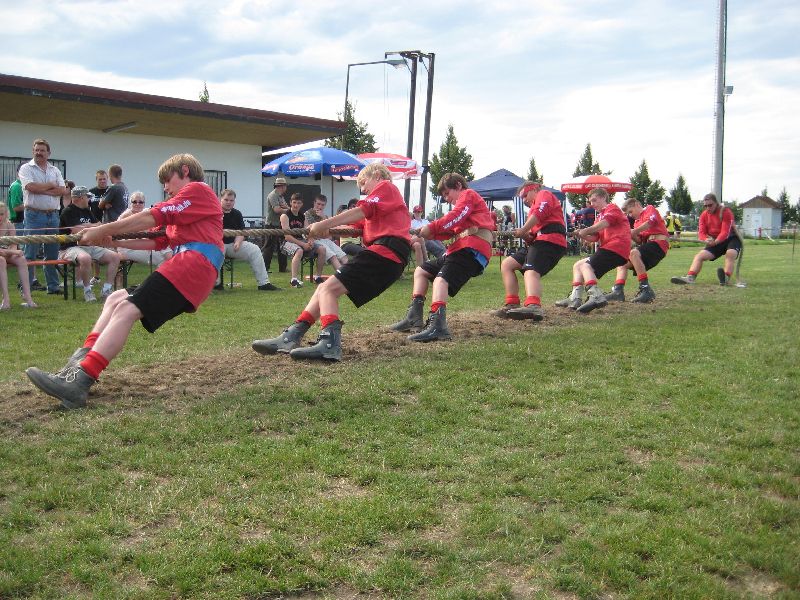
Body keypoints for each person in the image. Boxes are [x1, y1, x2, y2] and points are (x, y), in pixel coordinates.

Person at [26, 153, 223, 409]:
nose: (165, 187)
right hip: (190, 265)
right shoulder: (186, 207)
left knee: (127, 310)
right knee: (117, 298)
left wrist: (102, 230)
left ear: (185, 171)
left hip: (194, 264)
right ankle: (76, 367)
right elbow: (157, 241)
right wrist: (112, 241)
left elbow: (151, 217)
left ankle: (80, 381)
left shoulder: (198, 190)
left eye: (167, 180)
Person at [252, 163, 410, 361]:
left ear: (377, 175)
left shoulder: (386, 187)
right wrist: (329, 230)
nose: (362, 189)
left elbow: (362, 211)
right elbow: (354, 226)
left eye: (363, 182)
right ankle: (292, 335)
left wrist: (323, 224)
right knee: (323, 289)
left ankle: (329, 343)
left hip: (385, 253)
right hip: (390, 257)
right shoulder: (384, 206)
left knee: (328, 290)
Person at [389, 172, 495, 342]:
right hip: (460, 249)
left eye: (447, 193)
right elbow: (450, 230)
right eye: (444, 196)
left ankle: (438, 326)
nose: (446, 199)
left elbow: (455, 217)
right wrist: (430, 233)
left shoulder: (468, 195)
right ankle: (413, 317)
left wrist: (431, 228)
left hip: (472, 249)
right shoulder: (464, 208)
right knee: (421, 271)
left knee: (441, 280)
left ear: (458, 186)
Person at [495, 181, 568, 321]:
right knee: (507, 264)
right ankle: (512, 303)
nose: (524, 200)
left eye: (525, 195)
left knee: (531, 270)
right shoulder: (532, 212)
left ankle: (534, 305)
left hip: (550, 240)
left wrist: (523, 229)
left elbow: (540, 212)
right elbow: (531, 237)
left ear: (534, 189)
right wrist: (523, 234)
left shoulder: (544, 194)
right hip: (539, 241)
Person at [555, 188, 630, 313]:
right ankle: (575, 298)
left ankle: (596, 295)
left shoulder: (612, 208)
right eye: (590, 201)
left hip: (616, 247)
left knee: (586, 265)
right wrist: (582, 234)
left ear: (603, 198)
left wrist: (586, 230)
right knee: (577, 265)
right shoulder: (599, 216)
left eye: (594, 200)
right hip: (611, 249)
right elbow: (595, 237)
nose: (592, 204)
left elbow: (605, 223)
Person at [19, 138, 70, 295]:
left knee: (52, 253)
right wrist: (51, 185)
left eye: (42, 150)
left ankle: (53, 287)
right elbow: (30, 187)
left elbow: (63, 190)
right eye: (36, 150)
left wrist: (42, 189)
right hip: (34, 216)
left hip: (53, 216)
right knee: (30, 253)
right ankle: (26, 288)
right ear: (33, 151)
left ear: (49, 153)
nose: (39, 153)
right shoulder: (26, 168)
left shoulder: (55, 170)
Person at [58, 186, 122, 302]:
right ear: (80, 197)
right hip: (70, 248)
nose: (89, 199)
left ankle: (106, 289)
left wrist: (87, 226)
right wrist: (92, 226)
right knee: (85, 258)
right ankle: (87, 290)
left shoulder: (87, 210)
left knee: (115, 257)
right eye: (87, 197)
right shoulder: (68, 211)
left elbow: (99, 225)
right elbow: (77, 231)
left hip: (89, 246)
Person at [604, 197, 670, 303]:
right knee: (622, 262)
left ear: (637, 205)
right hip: (649, 245)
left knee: (633, 253)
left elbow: (650, 222)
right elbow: (640, 241)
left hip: (659, 244)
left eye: (630, 212)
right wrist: (629, 233)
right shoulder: (636, 222)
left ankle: (646, 289)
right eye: (628, 214)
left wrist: (634, 231)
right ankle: (618, 291)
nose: (630, 215)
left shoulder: (649, 209)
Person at [671, 193, 741, 286]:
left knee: (730, 254)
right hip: (715, 240)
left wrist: (716, 242)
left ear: (716, 203)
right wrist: (706, 239)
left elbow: (725, 232)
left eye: (710, 205)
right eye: (705, 206)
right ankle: (690, 278)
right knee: (699, 256)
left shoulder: (725, 212)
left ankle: (725, 278)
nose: (708, 208)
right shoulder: (703, 215)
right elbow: (701, 233)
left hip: (731, 238)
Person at [218, 188, 278, 291]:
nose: (228, 202)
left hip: (233, 245)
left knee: (255, 249)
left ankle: (264, 283)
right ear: (221, 199)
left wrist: (238, 242)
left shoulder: (237, 214)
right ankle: (216, 284)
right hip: (217, 245)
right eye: (226, 200)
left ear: (234, 201)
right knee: (218, 251)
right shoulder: (214, 213)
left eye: (231, 200)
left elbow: (241, 232)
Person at [280, 193, 325, 287]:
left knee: (322, 249)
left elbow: (308, 231)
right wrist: (303, 244)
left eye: (298, 203)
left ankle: (318, 277)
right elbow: (287, 236)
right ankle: (294, 280)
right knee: (299, 251)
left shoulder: (302, 216)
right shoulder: (285, 216)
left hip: (301, 240)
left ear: (302, 204)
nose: (296, 205)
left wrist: (310, 240)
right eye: (294, 202)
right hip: (286, 243)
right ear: (290, 203)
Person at [116, 191, 172, 266]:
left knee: (163, 249)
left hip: (141, 244)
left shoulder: (145, 212)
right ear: (130, 203)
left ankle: (165, 265)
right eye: (134, 202)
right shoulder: (126, 216)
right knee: (163, 258)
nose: (137, 204)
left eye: (140, 202)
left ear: (144, 204)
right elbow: (142, 232)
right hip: (128, 249)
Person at [0, 202, 37, 309]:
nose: (0, 217)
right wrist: (13, 252)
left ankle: (28, 299)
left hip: (7, 253)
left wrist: (10, 252)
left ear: (6, 214)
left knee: (22, 259)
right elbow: (13, 251)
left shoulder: (9, 225)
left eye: (1, 214)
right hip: (3, 255)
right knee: (1, 261)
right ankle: (6, 299)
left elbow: (14, 245)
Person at [305, 194, 347, 277]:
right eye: (318, 204)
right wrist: (323, 231)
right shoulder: (307, 214)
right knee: (333, 256)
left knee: (343, 256)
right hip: (314, 241)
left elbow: (328, 234)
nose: (320, 207)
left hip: (325, 240)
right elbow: (310, 232)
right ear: (314, 203)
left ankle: (350, 276)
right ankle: (344, 277)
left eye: (322, 205)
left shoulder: (324, 216)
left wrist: (323, 218)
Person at [262, 177, 289, 273]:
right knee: (269, 247)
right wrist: (287, 210)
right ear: (281, 186)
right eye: (285, 186)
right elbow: (277, 210)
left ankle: (283, 268)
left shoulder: (280, 196)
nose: (285, 188)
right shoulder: (273, 195)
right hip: (271, 225)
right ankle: (265, 268)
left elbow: (285, 207)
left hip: (280, 224)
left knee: (283, 246)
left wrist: (285, 208)